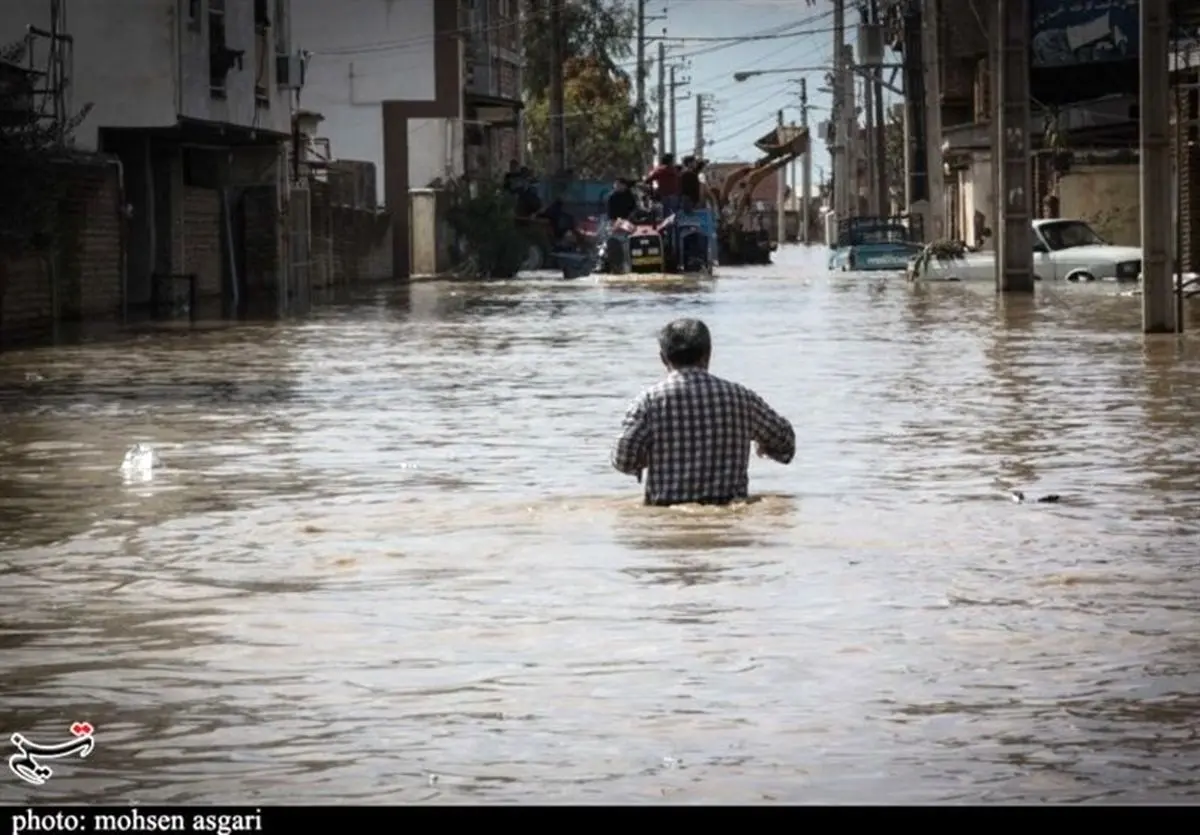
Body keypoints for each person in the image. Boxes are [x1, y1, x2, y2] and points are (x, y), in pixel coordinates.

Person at [611, 318, 795, 506]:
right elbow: (786, 443)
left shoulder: (648, 402)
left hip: (666, 520)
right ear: (708, 354)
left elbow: (623, 460)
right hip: (730, 521)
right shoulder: (741, 398)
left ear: (663, 358)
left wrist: (646, 457)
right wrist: (763, 445)